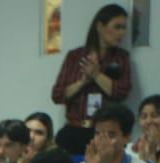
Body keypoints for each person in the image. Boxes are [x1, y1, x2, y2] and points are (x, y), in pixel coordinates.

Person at [50, 4, 133, 154]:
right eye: (117, 27)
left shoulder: (121, 58)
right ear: (100, 26)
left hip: (104, 134)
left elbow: (122, 92)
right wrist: (83, 82)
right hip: (73, 130)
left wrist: (96, 75)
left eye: (124, 28)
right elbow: (58, 95)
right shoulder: (75, 57)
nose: (121, 33)